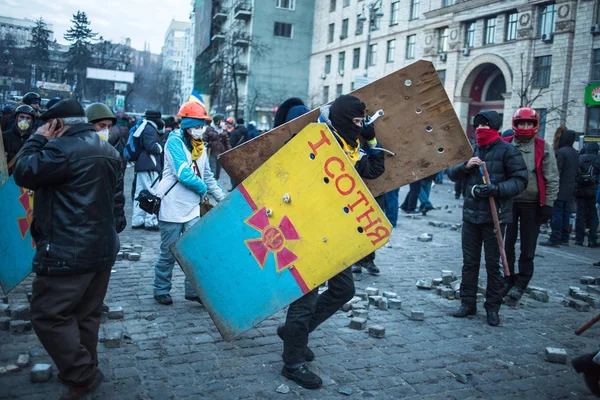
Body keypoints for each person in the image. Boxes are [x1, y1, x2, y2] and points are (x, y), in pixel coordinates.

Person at [12, 98, 124, 399]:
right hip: (101, 247)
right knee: (86, 315)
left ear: (57, 124)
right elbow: (115, 201)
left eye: (46, 124)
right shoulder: (110, 151)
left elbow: (23, 172)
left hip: (68, 248)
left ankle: (82, 374)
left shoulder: (60, 149)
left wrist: (38, 139)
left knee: (48, 313)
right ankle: (81, 375)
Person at [277, 95, 385, 389]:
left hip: (333, 232)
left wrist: (371, 141)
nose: (361, 126)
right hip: (305, 229)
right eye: (357, 122)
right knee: (306, 297)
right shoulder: (317, 140)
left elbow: (375, 171)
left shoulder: (351, 147)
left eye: (363, 122)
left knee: (344, 289)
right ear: (341, 120)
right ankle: (293, 362)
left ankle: (293, 334)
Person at [448, 110, 528, 326]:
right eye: (478, 125)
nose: (481, 129)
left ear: (495, 127)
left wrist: (496, 189)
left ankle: (492, 307)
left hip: (496, 218)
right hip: (471, 217)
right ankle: (467, 303)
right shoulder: (471, 149)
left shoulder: (508, 151)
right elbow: (450, 172)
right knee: (470, 262)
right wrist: (465, 166)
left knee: (494, 265)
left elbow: (520, 180)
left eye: (485, 125)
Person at [153, 101, 225, 305]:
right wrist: (203, 190)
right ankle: (161, 289)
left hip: (192, 208)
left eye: (202, 125)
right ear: (187, 125)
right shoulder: (174, 141)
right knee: (168, 253)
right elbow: (183, 173)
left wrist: (221, 196)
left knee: (194, 251)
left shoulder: (200, 145)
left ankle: (193, 291)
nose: (200, 129)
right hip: (172, 206)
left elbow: (207, 175)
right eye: (197, 125)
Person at [503, 108, 559, 301]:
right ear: (515, 125)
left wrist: (548, 204)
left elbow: (551, 177)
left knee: (528, 246)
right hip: (509, 201)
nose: (525, 127)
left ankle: (522, 281)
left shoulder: (544, 147)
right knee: (506, 243)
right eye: (521, 123)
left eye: (528, 123)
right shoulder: (506, 144)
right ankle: (507, 278)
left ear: (534, 125)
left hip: (532, 203)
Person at [85, 103, 127, 233]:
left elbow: (117, 189)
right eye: (101, 126)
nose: (106, 131)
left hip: (103, 216)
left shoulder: (113, 154)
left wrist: (118, 215)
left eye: (109, 126)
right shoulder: (76, 150)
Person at [540, 128, 578, 247]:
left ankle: (555, 237)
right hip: (570, 188)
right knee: (566, 214)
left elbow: (557, 171)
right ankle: (564, 237)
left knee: (557, 213)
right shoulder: (575, 153)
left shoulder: (561, 152)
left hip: (559, 188)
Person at [131, 110, 165, 231]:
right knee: (152, 193)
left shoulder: (144, 127)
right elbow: (151, 146)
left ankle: (137, 220)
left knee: (139, 193)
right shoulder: (150, 129)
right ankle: (151, 221)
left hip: (142, 165)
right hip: (150, 165)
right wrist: (161, 147)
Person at [574, 142, 600, 247]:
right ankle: (592, 239)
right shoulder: (598, 159)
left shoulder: (580, 158)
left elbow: (575, 174)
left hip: (580, 190)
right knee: (594, 215)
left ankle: (579, 240)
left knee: (580, 215)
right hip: (594, 191)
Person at [2, 105, 37, 174]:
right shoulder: (5, 136)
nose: (24, 120)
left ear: (32, 121)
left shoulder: (34, 139)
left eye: (28, 118)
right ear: (16, 118)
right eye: (21, 117)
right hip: (6, 176)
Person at [203, 113, 230, 180]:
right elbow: (204, 140)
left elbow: (227, 141)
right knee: (213, 171)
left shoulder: (223, 130)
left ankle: (215, 183)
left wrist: (230, 150)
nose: (223, 123)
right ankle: (212, 186)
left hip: (221, 154)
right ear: (217, 121)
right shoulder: (209, 129)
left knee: (218, 172)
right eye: (222, 121)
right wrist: (208, 144)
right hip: (212, 152)